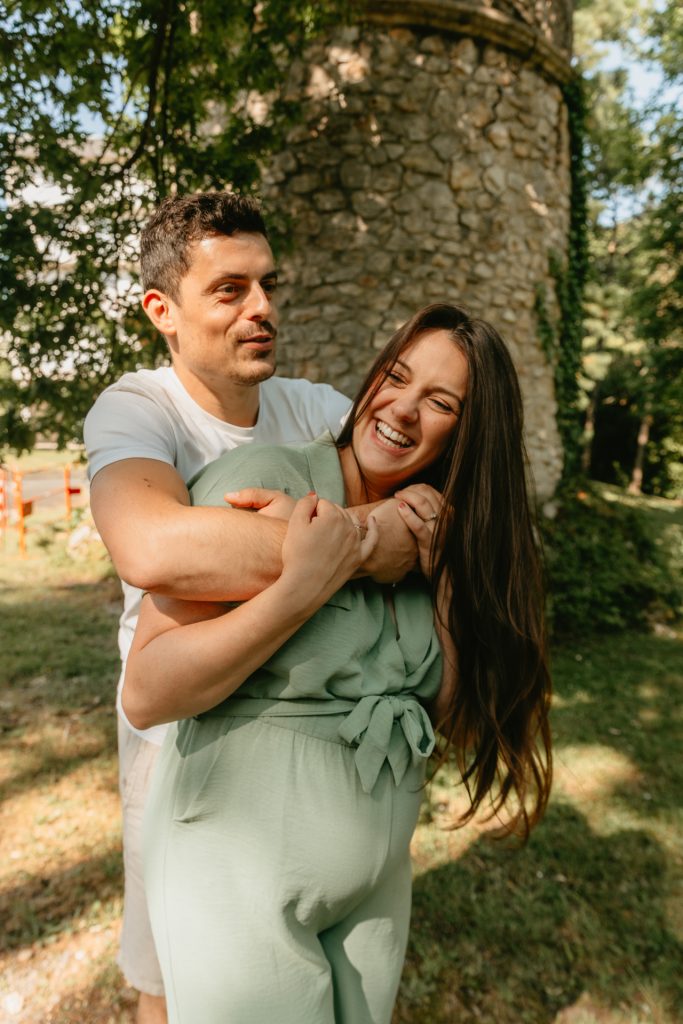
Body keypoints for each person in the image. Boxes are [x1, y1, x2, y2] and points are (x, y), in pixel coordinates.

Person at [121, 303, 553, 1024]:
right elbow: (146, 692)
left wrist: (443, 577)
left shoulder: (432, 527)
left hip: (376, 880)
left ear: (470, 431)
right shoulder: (262, 477)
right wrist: (303, 585)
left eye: (441, 402)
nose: (403, 410)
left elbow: (457, 719)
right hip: (237, 866)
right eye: (397, 376)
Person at [83, 191, 416, 1024]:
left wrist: (333, 536)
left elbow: (431, 517)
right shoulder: (138, 409)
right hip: (179, 732)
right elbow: (152, 548)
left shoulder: (315, 408)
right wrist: (335, 547)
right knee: (167, 974)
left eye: (267, 285)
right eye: (229, 289)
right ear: (163, 310)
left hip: (314, 749)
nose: (262, 308)